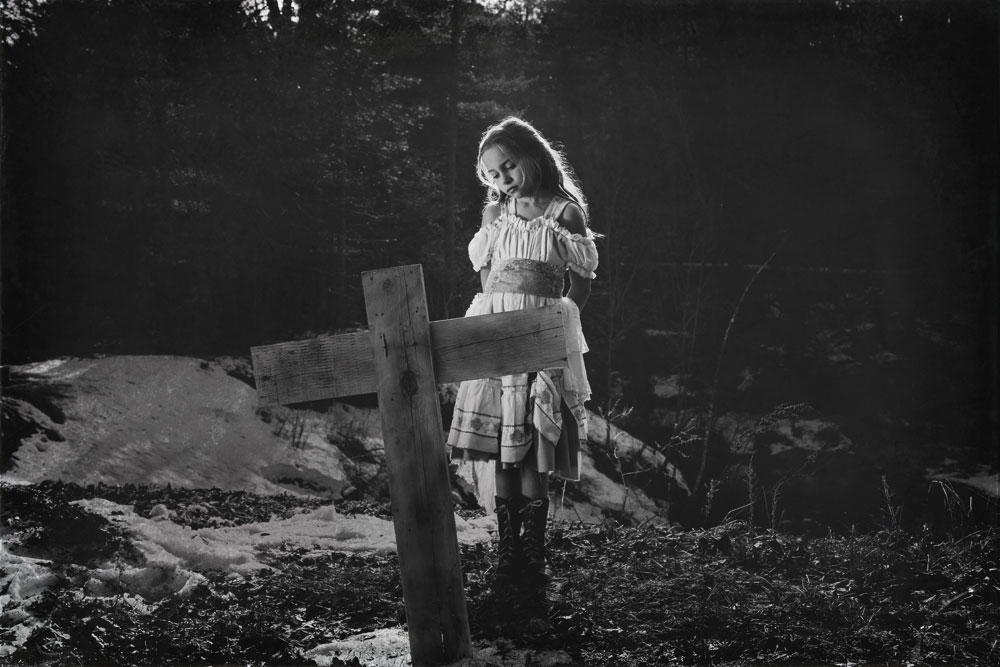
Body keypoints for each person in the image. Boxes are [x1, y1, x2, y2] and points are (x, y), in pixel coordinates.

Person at [447, 116, 598, 588]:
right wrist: (494, 314)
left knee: (532, 445)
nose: (502, 179)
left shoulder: (563, 215)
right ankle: (507, 550)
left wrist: (559, 319)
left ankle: (533, 552)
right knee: (501, 450)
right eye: (492, 174)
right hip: (499, 337)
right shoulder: (496, 217)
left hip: (539, 338)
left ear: (532, 157)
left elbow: (583, 282)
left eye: (508, 166)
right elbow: (486, 275)